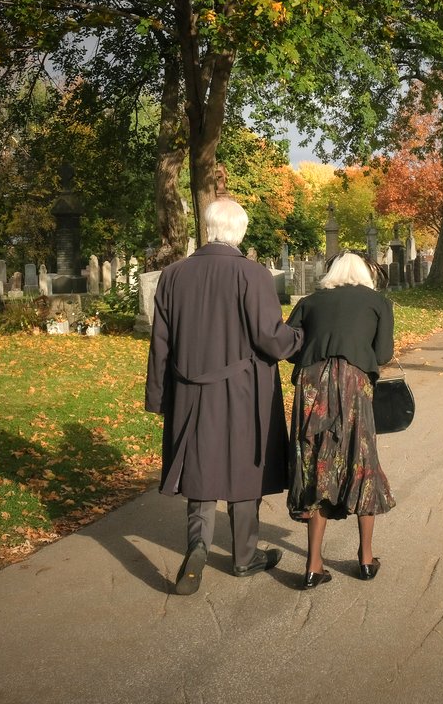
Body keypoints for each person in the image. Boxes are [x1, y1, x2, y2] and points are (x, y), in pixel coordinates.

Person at [145, 198, 302, 595]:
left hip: (188, 388)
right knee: (243, 467)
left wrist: (159, 396)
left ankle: (197, 546)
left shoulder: (173, 275)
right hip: (242, 387)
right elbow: (271, 338)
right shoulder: (252, 274)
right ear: (239, 232)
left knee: (199, 465)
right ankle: (244, 556)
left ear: (208, 228)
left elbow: (159, 343)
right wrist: (300, 339)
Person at [286, 252, 396, 589]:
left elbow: (290, 345)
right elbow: (383, 354)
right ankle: (365, 559)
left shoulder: (310, 302)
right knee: (361, 461)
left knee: (315, 463)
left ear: (330, 272)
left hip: (311, 385)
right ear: (365, 273)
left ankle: (312, 565)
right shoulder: (378, 302)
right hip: (353, 382)